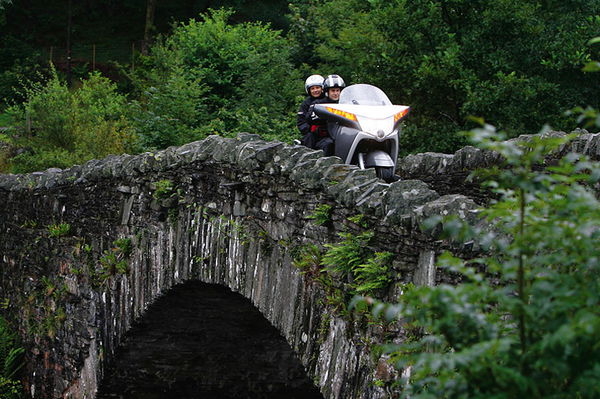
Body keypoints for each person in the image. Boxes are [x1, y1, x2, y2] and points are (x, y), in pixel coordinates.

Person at [306, 74, 346, 156]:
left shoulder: (347, 103)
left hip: (345, 135)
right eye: (333, 91)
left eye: (337, 90)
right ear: (327, 92)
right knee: (328, 144)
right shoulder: (319, 103)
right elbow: (309, 117)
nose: (335, 93)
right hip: (326, 136)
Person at [297, 74, 325, 149]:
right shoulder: (306, 103)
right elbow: (301, 122)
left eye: (317, 87)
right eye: (312, 88)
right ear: (309, 90)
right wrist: (312, 129)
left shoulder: (328, 100)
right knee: (308, 138)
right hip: (312, 134)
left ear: (322, 88)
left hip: (329, 132)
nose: (315, 90)